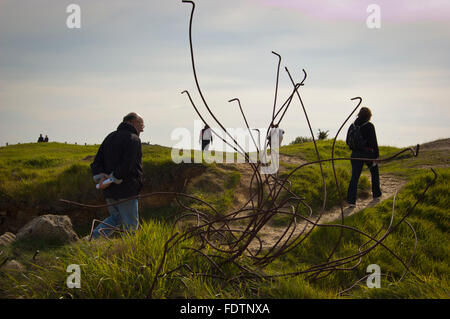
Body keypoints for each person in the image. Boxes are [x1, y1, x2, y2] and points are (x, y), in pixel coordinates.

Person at [90, 112, 145, 239]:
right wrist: (114, 178)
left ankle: (94, 239)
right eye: (141, 124)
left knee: (116, 218)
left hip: (109, 190)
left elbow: (96, 161)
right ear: (132, 122)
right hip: (127, 189)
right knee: (131, 224)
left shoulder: (109, 137)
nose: (142, 128)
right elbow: (128, 164)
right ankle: (130, 251)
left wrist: (101, 177)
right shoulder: (134, 139)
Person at [346, 107, 381, 207]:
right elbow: (374, 142)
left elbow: (347, 141)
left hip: (355, 154)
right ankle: (376, 194)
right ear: (369, 116)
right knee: (374, 172)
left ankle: (351, 201)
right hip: (368, 154)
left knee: (355, 177)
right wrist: (376, 156)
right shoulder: (369, 126)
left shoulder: (352, 126)